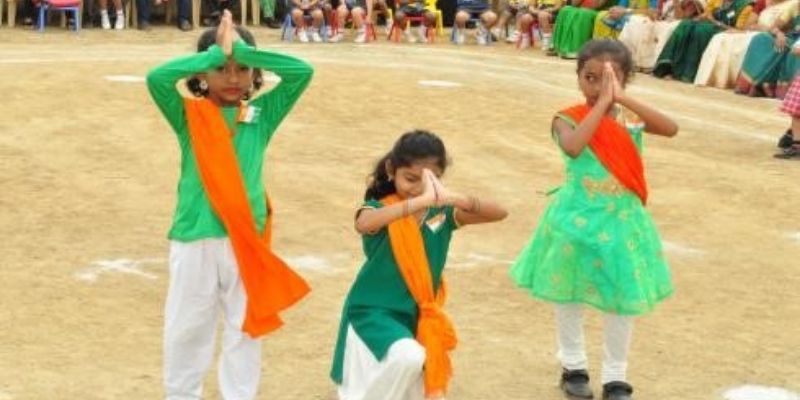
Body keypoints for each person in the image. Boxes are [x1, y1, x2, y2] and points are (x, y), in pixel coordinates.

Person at [145, 11, 313, 399]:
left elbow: (302, 72)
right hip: (195, 235)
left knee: (245, 328)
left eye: (243, 69)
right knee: (187, 327)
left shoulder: (262, 115)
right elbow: (156, 79)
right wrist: (212, 55)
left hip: (246, 239)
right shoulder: (188, 115)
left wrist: (242, 51)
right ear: (202, 75)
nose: (233, 78)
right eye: (222, 69)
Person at [510, 39, 678, 400]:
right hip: (575, 220)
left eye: (609, 78)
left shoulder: (630, 118)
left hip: (620, 221)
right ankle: (574, 367)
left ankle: (616, 376)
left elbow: (670, 128)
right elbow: (573, 147)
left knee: (620, 296)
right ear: (578, 78)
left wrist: (622, 99)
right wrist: (603, 103)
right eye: (590, 77)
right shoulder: (566, 118)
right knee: (567, 292)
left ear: (625, 79)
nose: (598, 85)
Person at [330, 130, 507, 400]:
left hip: (415, 317)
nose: (417, 187)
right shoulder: (380, 207)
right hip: (373, 312)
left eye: (428, 180)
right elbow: (364, 223)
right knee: (409, 356)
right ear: (391, 170)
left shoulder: (442, 214)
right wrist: (419, 202)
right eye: (410, 179)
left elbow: (500, 213)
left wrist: (454, 198)